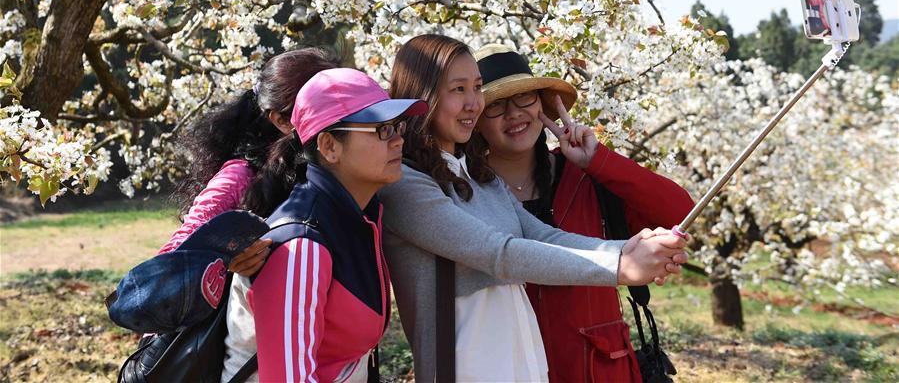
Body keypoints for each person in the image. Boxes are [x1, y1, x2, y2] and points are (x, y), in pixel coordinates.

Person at [380, 34, 689, 382]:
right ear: (423, 96)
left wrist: (632, 249)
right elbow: (498, 253)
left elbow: (542, 235)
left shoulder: (479, 177)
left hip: (525, 367)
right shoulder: (405, 183)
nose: (473, 103)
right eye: (458, 89)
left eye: (477, 88)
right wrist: (620, 266)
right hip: (466, 370)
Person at [473, 44, 695, 382]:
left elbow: (679, 211)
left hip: (596, 367)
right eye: (497, 105)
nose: (514, 113)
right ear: (475, 121)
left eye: (525, 98)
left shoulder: (588, 178)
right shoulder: (468, 190)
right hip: (510, 365)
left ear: (542, 105)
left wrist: (597, 161)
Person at [220, 68, 427, 382]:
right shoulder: (301, 247)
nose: (399, 140)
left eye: (398, 126)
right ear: (329, 146)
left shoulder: (359, 217)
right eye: (382, 129)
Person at [158, 47, 340, 277]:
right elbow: (170, 263)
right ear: (281, 120)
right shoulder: (239, 176)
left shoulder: (338, 165)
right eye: (326, 103)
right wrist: (227, 264)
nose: (343, 111)